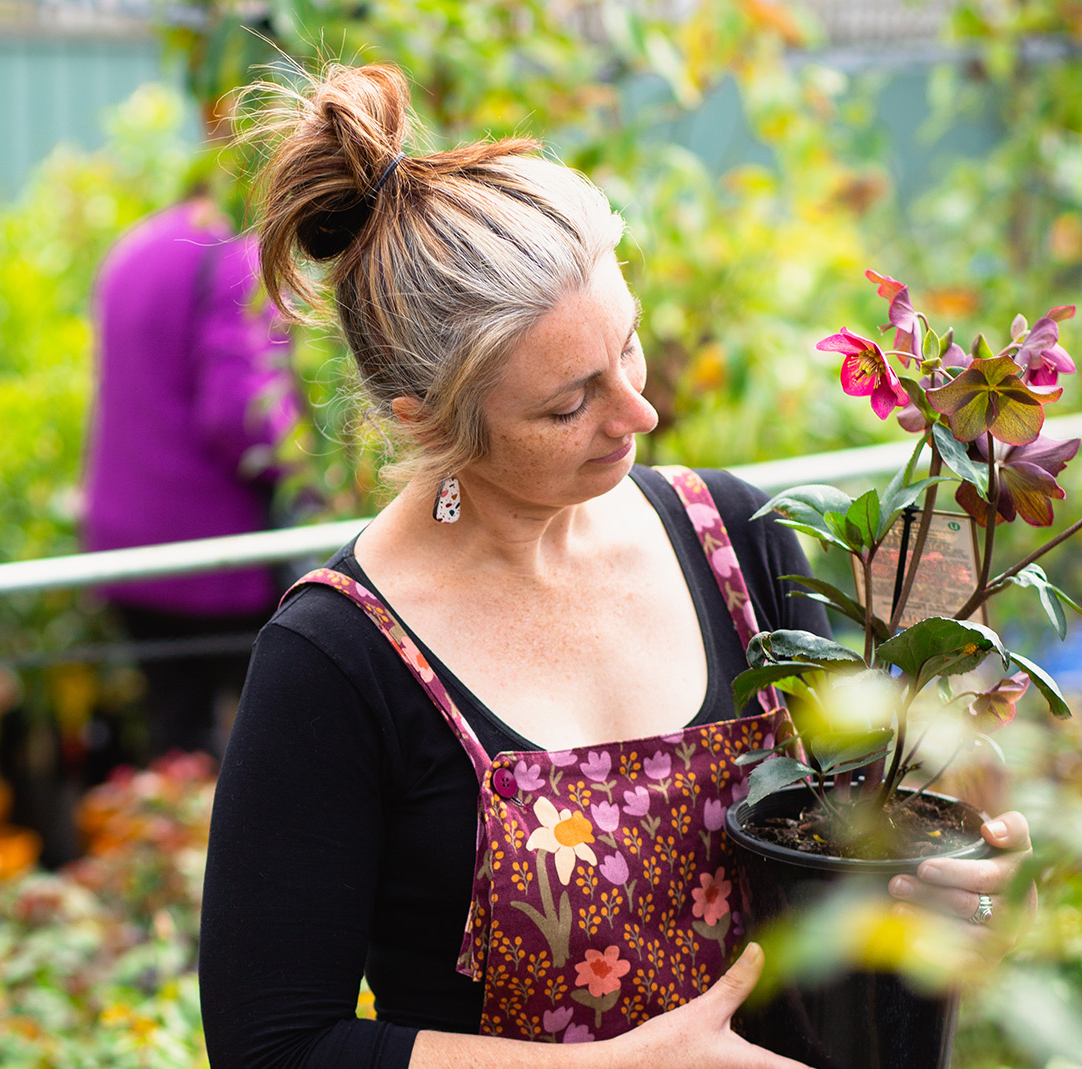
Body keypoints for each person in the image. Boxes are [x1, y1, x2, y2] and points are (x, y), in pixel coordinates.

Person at [199, 63, 1034, 1068]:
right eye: (568, 403)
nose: (637, 414)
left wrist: (943, 876)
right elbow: (273, 1042)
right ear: (424, 415)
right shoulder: (338, 657)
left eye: (629, 350)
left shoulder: (734, 537)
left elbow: (844, 841)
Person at [82, 195, 299, 761]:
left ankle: (173, 839)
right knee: (270, 744)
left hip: (126, 542)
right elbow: (239, 415)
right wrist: (310, 455)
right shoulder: (234, 252)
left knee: (177, 737)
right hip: (210, 552)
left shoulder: (139, 243)